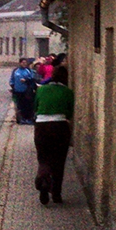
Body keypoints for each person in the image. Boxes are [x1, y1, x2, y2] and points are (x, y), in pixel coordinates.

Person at [33, 65, 75, 205]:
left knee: (43, 158)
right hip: (60, 127)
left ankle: (43, 182)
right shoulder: (68, 92)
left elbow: (36, 107)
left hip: (41, 127)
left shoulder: (41, 90)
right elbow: (69, 112)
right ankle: (56, 194)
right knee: (59, 161)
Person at [9, 57, 38, 124]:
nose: (24, 64)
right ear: (20, 63)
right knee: (20, 105)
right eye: (23, 63)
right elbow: (12, 80)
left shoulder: (28, 70)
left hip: (26, 91)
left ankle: (28, 118)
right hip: (18, 91)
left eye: (25, 63)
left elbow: (32, 79)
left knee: (27, 105)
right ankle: (21, 118)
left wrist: (26, 81)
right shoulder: (16, 71)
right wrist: (13, 87)